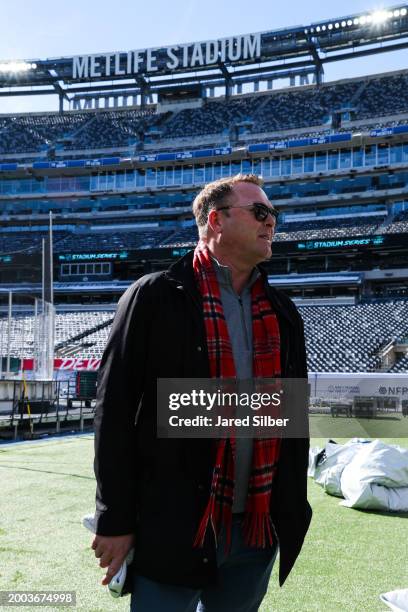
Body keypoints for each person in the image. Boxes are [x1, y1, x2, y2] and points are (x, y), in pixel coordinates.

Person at [92, 174, 312, 611]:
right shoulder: (154, 296)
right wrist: (114, 519)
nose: (273, 222)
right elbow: (114, 410)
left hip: (256, 524)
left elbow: (290, 421)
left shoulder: (283, 312)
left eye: (275, 214)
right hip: (175, 522)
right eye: (261, 212)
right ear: (216, 220)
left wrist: (291, 509)